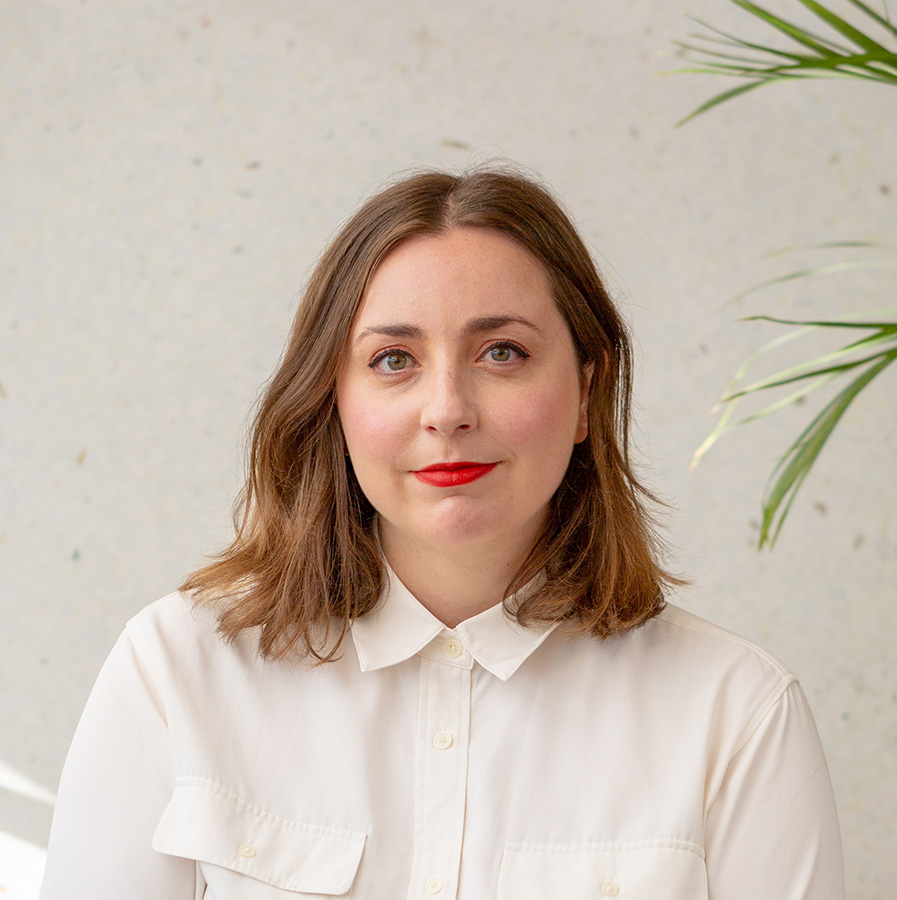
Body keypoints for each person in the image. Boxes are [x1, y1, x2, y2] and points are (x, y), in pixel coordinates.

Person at [40, 168, 843, 899]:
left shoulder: (737, 711)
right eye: (394, 359)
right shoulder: (177, 671)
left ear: (588, 393)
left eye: (503, 352)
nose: (448, 408)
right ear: (334, 397)